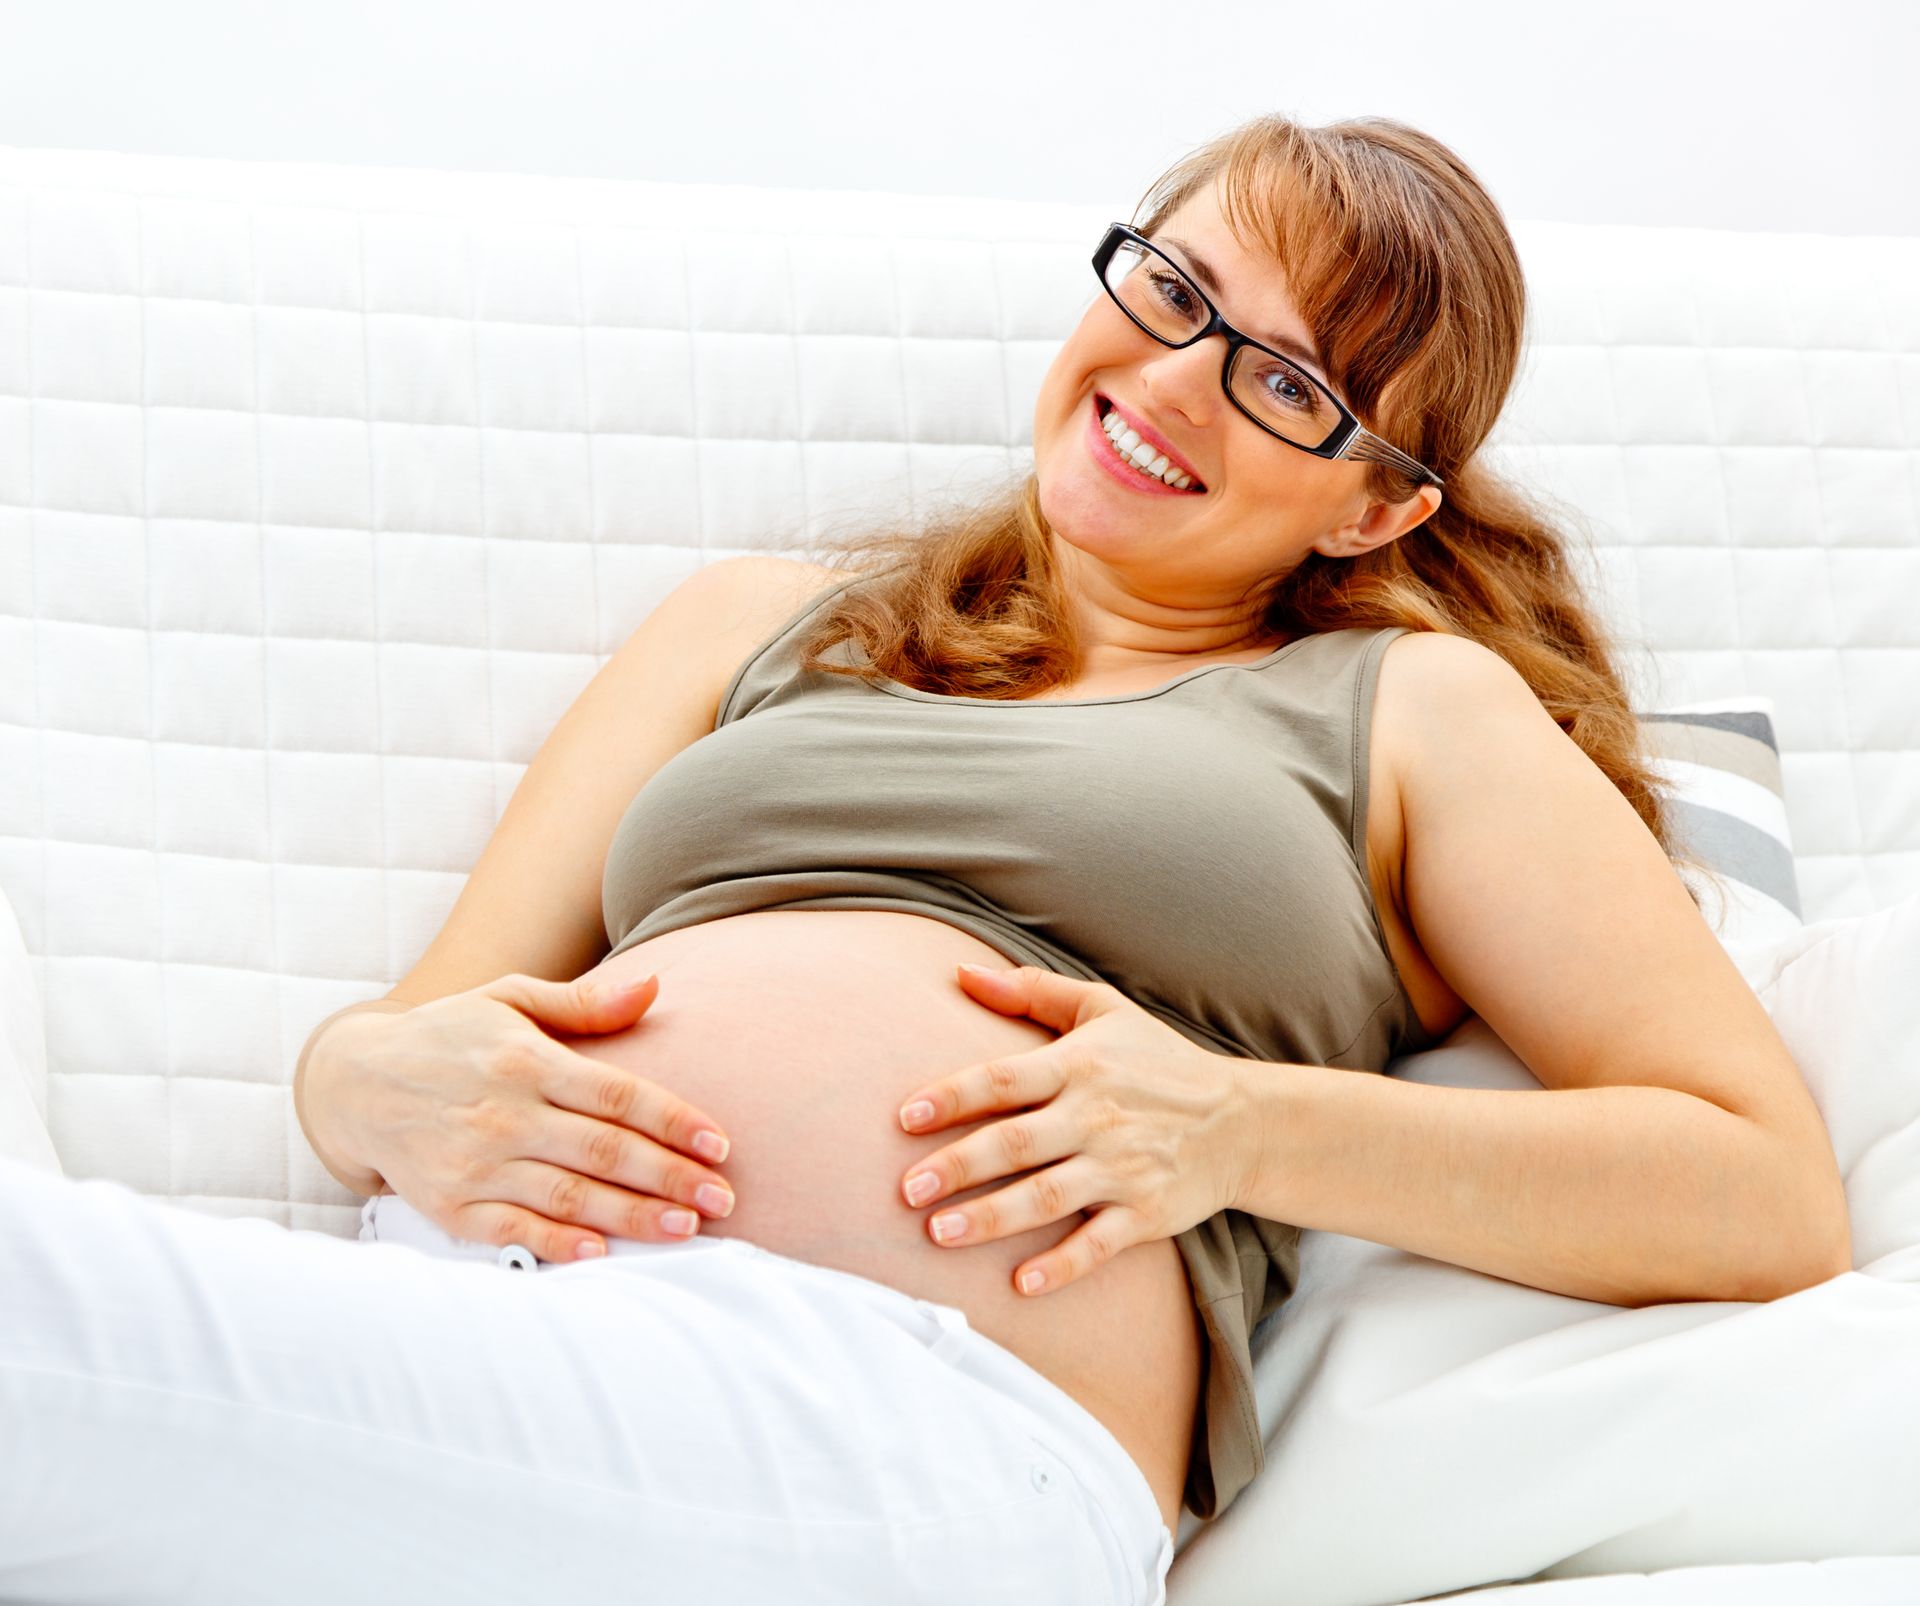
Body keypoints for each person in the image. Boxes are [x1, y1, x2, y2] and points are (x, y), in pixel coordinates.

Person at [2, 113, 1848, 1606]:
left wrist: (1234, 1121)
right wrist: (367, 1075)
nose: (1181, 380)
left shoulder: (1407, 707)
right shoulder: (758, 624)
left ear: (1377, 502)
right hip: (455, 1331)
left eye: (1288, 381)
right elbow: (397, 1051)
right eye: (1178, 289)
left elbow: (1756, 1189)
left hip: (914, 1424)